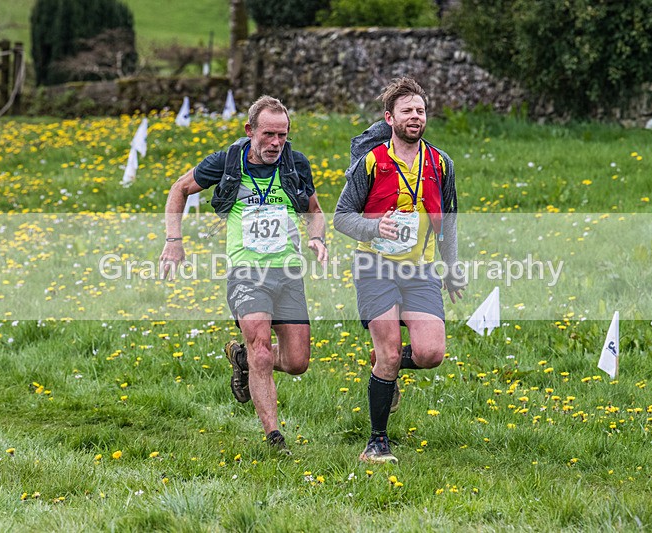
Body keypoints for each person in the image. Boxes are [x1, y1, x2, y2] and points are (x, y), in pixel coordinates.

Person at [160, 95, 327, 454]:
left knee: (297, 362)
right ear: (250, 130)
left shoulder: (296, 163)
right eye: (269, 134)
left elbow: (314, 210)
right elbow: (179, 189)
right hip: (246, 273)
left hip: (288, 272)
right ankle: (274, 438)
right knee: (261, 351)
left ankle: (242, 360)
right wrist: (174, 241)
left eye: (282, 135)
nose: (276, 143)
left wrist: (317, 237)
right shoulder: (226, 162)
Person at [334, 77, 466, 464]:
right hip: (374, 266)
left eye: (420, 111)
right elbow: (342, 217)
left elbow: (449, 220)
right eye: (407, 111)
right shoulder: (371, 162)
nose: (415, 117)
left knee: (431, 353)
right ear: (389, 118)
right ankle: (376, 443)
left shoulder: (440, 163)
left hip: (420, 270)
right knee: (390, 354)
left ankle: (382, 366)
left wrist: (451, 268)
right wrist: (375, 227)